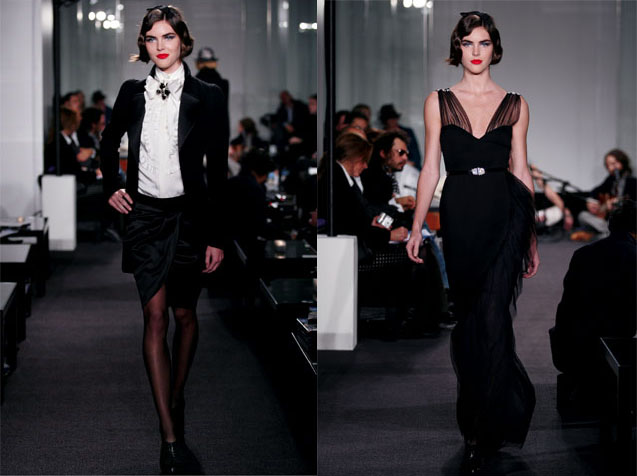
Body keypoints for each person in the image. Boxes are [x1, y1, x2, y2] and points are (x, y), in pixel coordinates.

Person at [406, 11, 539, 473]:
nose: (476, 51)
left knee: (494, 318)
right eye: (468, 43)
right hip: (460, 212)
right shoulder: (438, 102)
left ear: (494, 49)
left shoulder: (516, 104)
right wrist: (418, 225)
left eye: (483, 43)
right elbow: (430, 168)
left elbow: (521, 170)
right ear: (457, 49)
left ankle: (491, 423)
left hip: (505, 214)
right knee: (468, 322)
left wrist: (530, 236)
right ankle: (475, 417)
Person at [100, 6, 228, 474]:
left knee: (184, 315)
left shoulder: (208, 95)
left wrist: (216, 235)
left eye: (168, 37)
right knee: (154, 316)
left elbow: (218, 168)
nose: (160, 45)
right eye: (152, 38)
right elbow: (107, 142)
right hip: (145, 217)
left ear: (183, 42)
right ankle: (170, 437)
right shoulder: (130, 92)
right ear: (144, 44)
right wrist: (112, 184)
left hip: (190, 219)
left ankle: (176, 396)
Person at [549, 200, 636, 400]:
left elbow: (567, 306)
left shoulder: (582, 254)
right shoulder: (633, 256)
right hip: (613, 350)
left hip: (570, 349)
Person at [577, 149, 637, 239]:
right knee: (582, 216)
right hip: (607, 221)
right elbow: (595, 191)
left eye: (614, 163)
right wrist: (592, 201)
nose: (611, 168)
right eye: (608, 165)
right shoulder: (610, 179)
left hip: (625, 221)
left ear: (622, 162)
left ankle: (607, 234)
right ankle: (610, 234)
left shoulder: (632, 182)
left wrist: (620, 203)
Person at [378, 103, 422, 169]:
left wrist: (408, 163)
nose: (393, 121)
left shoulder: (408, 132)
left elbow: (416, 156)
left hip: (409, 167)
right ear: (385, 121)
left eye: (394, 118)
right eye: (390, 119)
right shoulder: (380, 135)